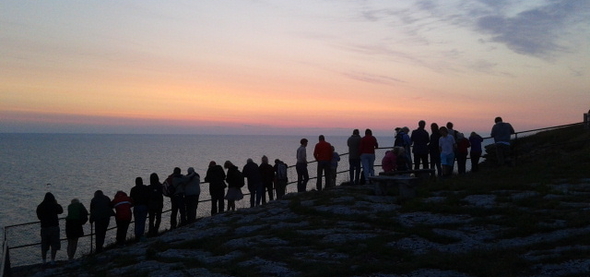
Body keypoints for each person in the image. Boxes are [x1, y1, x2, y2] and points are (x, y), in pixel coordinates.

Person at [36, 192, 63, 265]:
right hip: (54, 227)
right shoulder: (54, 205)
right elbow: (61, 211)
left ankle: (44, 260)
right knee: (54, 244)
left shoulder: (40, 206)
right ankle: (52, 260)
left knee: (44, 245)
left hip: (44, 228)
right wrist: (57, 203)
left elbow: (39, 217)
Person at [130, 177, 150, 241]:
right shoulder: (145, 188)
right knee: (142, 221)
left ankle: (137, 235)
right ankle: (141, 235)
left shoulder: (133, 189)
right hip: (144, 206)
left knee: (137, 221)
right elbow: (148, 197)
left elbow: (131, 199)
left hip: (136, 206)